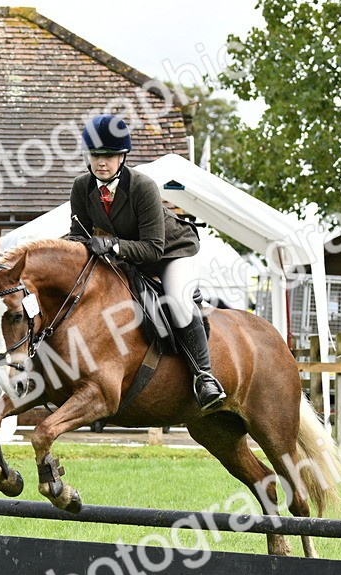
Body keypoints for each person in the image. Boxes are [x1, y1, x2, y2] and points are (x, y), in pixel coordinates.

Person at [65, 113, 226, 410]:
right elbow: (79, 235)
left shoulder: (143, 186)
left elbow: (153, 248)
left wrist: (112, 244)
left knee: (177, 302)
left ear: (123, 157)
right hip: (129, 256)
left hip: (170, 252)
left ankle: (204, 377)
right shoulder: (81, 187)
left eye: (109, 156)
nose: (102, 162)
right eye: (96, 155)